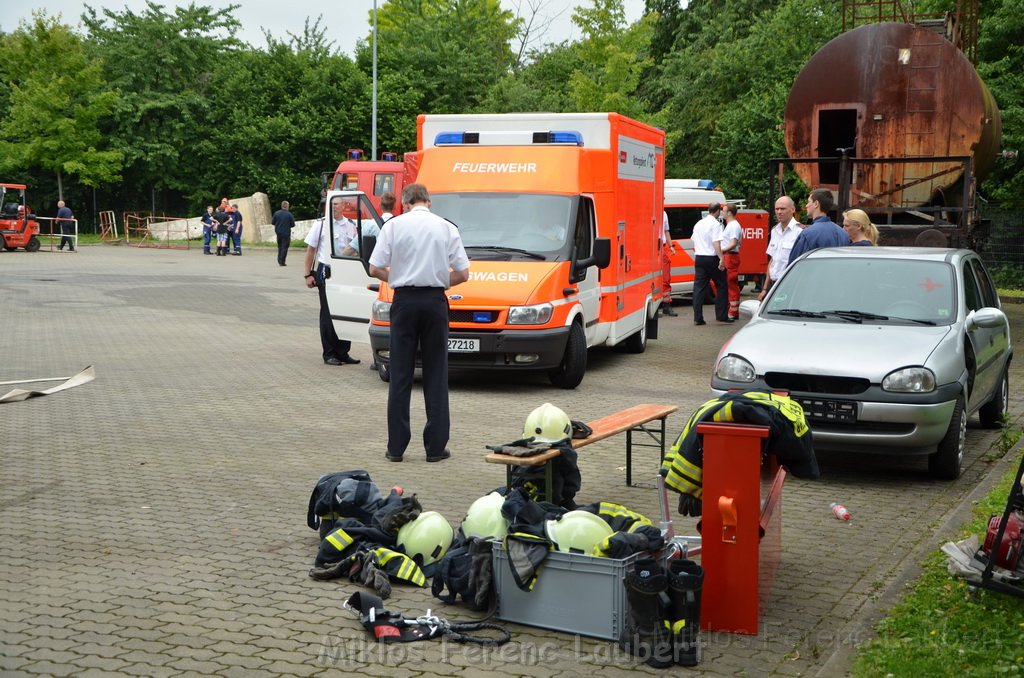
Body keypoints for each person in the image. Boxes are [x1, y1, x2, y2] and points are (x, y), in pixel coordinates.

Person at [368, 183, 470, 463]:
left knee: (400, 373)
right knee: (436, 373)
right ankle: (435, 448)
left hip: (404, 302)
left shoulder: (394, 226)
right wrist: (437, 280)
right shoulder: (446, 227)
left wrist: (398, 277)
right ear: (428, 200)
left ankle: (396, 447)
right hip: (435, 302)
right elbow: (463, 273)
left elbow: (374, 267)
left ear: (405, 202)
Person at [303, 202, 361, 366]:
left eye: (337, 204)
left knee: (345, 311)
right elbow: (310, 250)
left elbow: (356, 249)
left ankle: (343, 352)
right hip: (327, 271)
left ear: (344, 205)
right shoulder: (321, 224)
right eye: (332, 204)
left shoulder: (351, 225)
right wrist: (307, 274)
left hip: (347, 271)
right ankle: (329, 353)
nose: (334, 207)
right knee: (328, 313)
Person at [690, 203, 731, 326]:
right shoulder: (716, 224)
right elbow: (716, 242)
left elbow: (694, 240)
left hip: (700, 258)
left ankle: (698, 317)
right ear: (717, 211)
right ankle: (721, 315)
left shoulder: (698, 224)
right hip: (712, 258)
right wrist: (721, 258)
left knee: (699, 288)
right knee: (722, 285)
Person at [759, 196, 803, 301]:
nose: (779, 212)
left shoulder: (800, 232)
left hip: (789, 285)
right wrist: (765, 288)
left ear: (792, 209)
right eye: (777, 209)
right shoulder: (775, 231)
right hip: (773, 285)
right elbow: (772, 261)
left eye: (783, 209)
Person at [788, 188, 850, 262]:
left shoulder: (807, 234)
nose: (806, 205)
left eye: (808, 202)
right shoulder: (843, 234)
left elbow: (794, 265)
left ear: (816, 204)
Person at [720, 203, 743, 320]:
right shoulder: (730, 225)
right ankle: (731, 308)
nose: (722, 213)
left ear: (729, 213)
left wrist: (721, 251)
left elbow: (733, 243)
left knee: (731, 284)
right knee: (727, 283)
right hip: (728, 256)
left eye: (724, 211)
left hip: (730, 256)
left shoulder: (733, 225)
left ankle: (733, 312)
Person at [659, 210, 677, 316]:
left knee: (666, 278)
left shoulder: (664, 213)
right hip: (652, 247)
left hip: (663, 247)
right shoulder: (649, 210)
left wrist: (671, 246)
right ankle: (654, 308)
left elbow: (666, 231)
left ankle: (667, 305)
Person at [272, 200, 296, 266]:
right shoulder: (289, 214)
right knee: (284, 247)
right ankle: (282, 261)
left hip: (278, 232)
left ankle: (279, 259)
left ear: (281, 206)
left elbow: (273, 223)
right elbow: (293, 225)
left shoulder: (276, 213)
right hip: (286, 233)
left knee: (280, 246)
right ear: (287, 206)